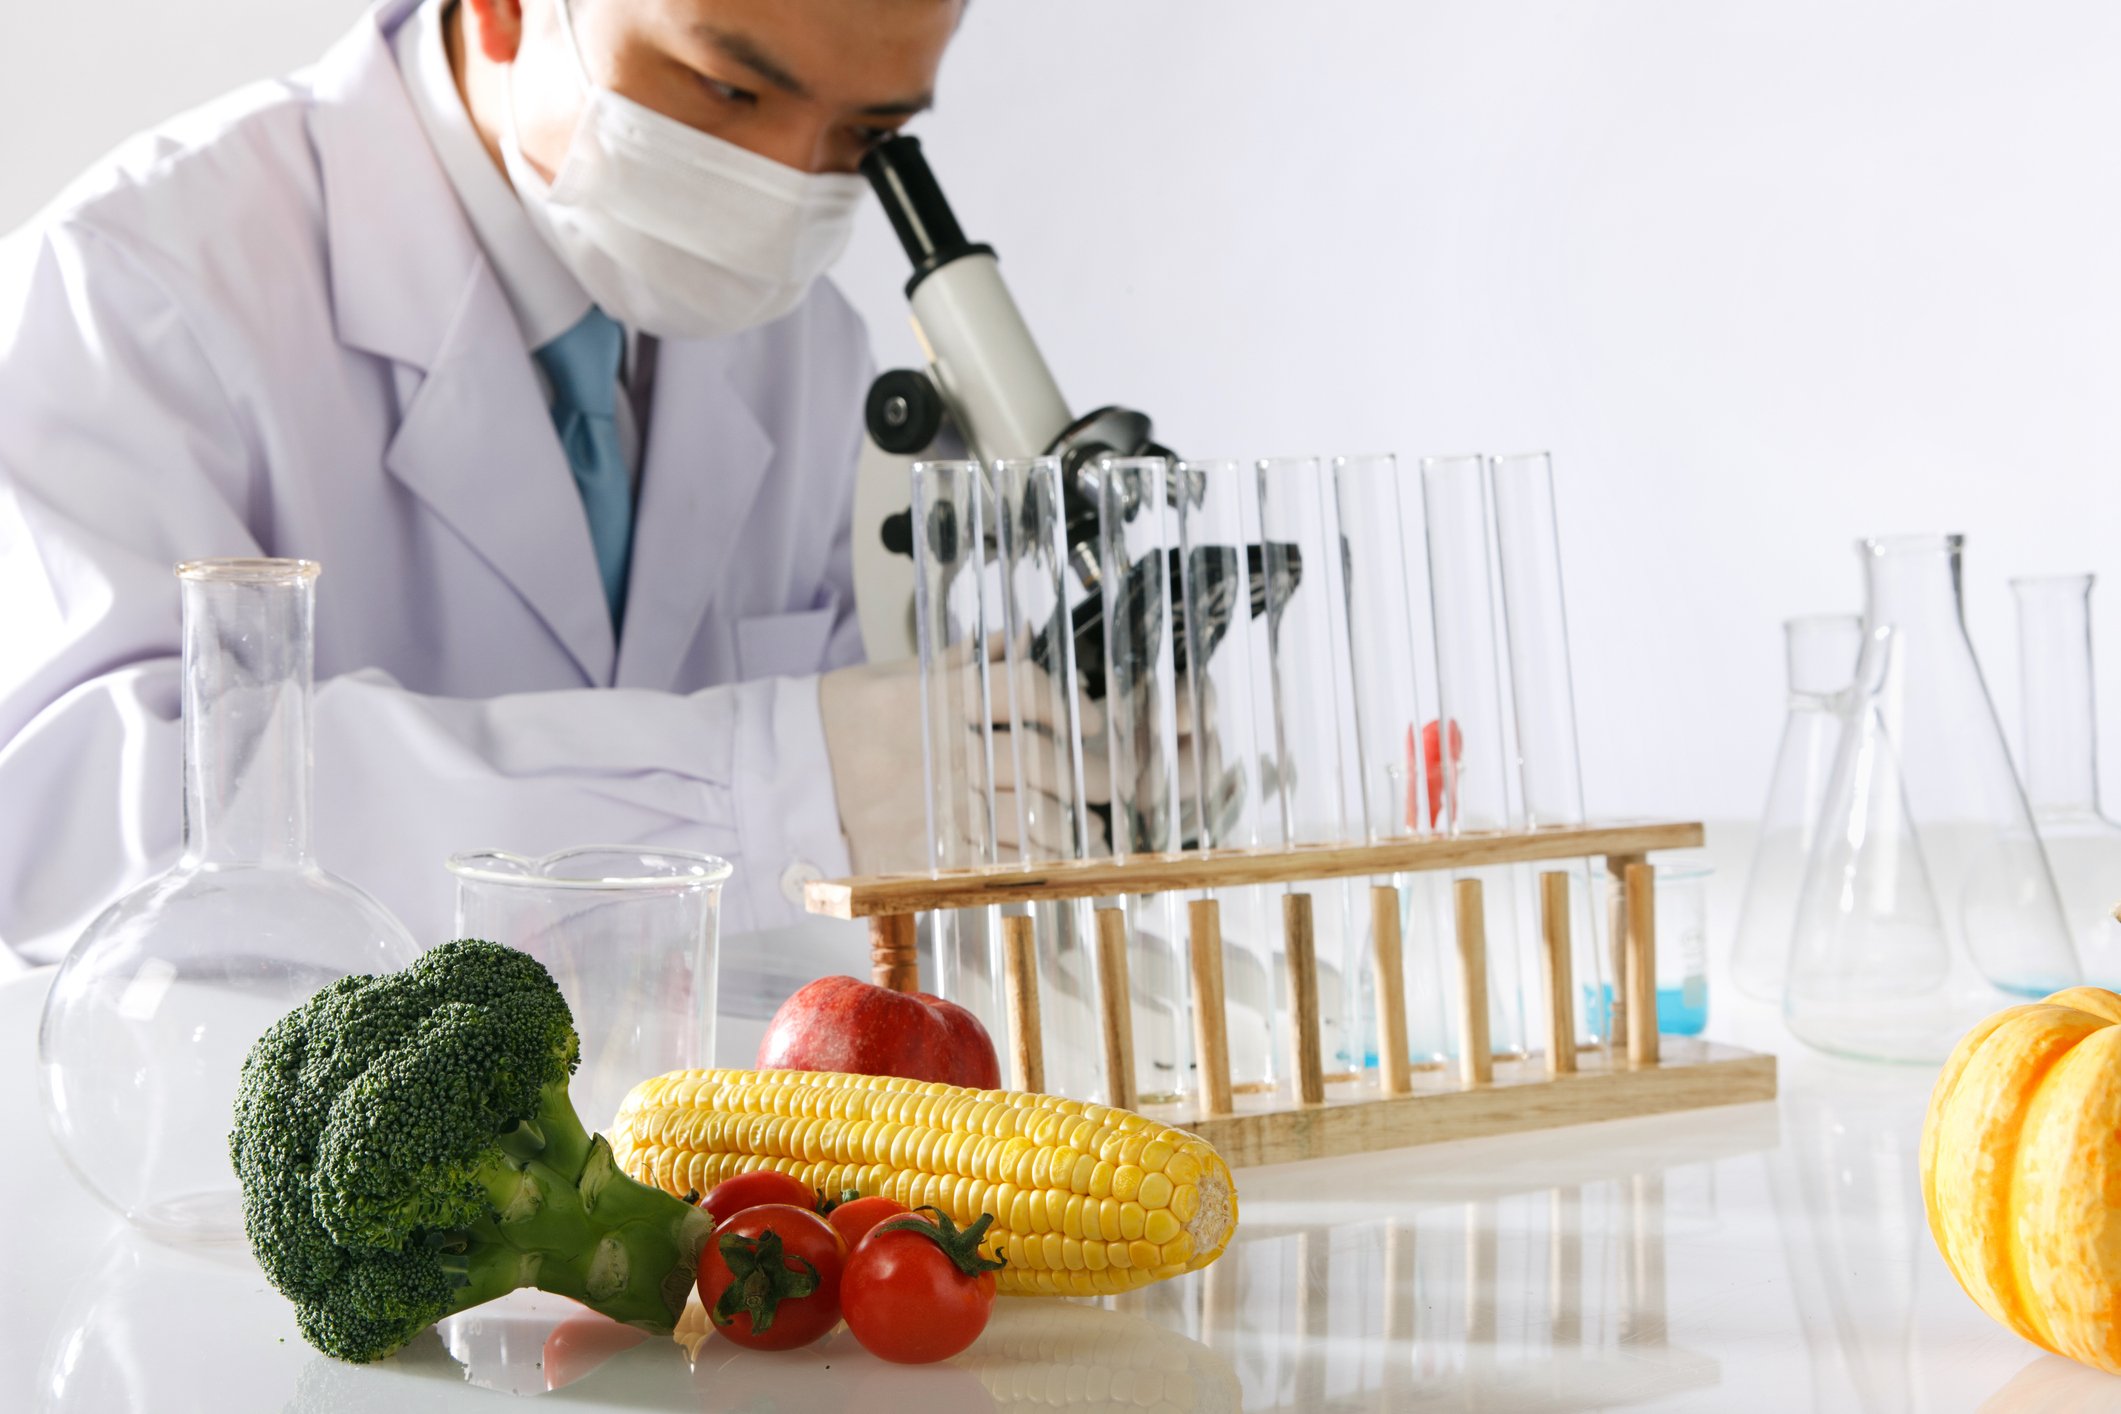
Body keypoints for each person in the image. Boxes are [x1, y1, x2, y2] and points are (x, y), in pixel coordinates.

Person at [0, 0, 964, 964]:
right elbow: (68, 836)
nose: (784, 183)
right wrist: (763, 783)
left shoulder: (810, 349)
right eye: (728, 88)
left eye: (868, 133)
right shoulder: (128, 288)